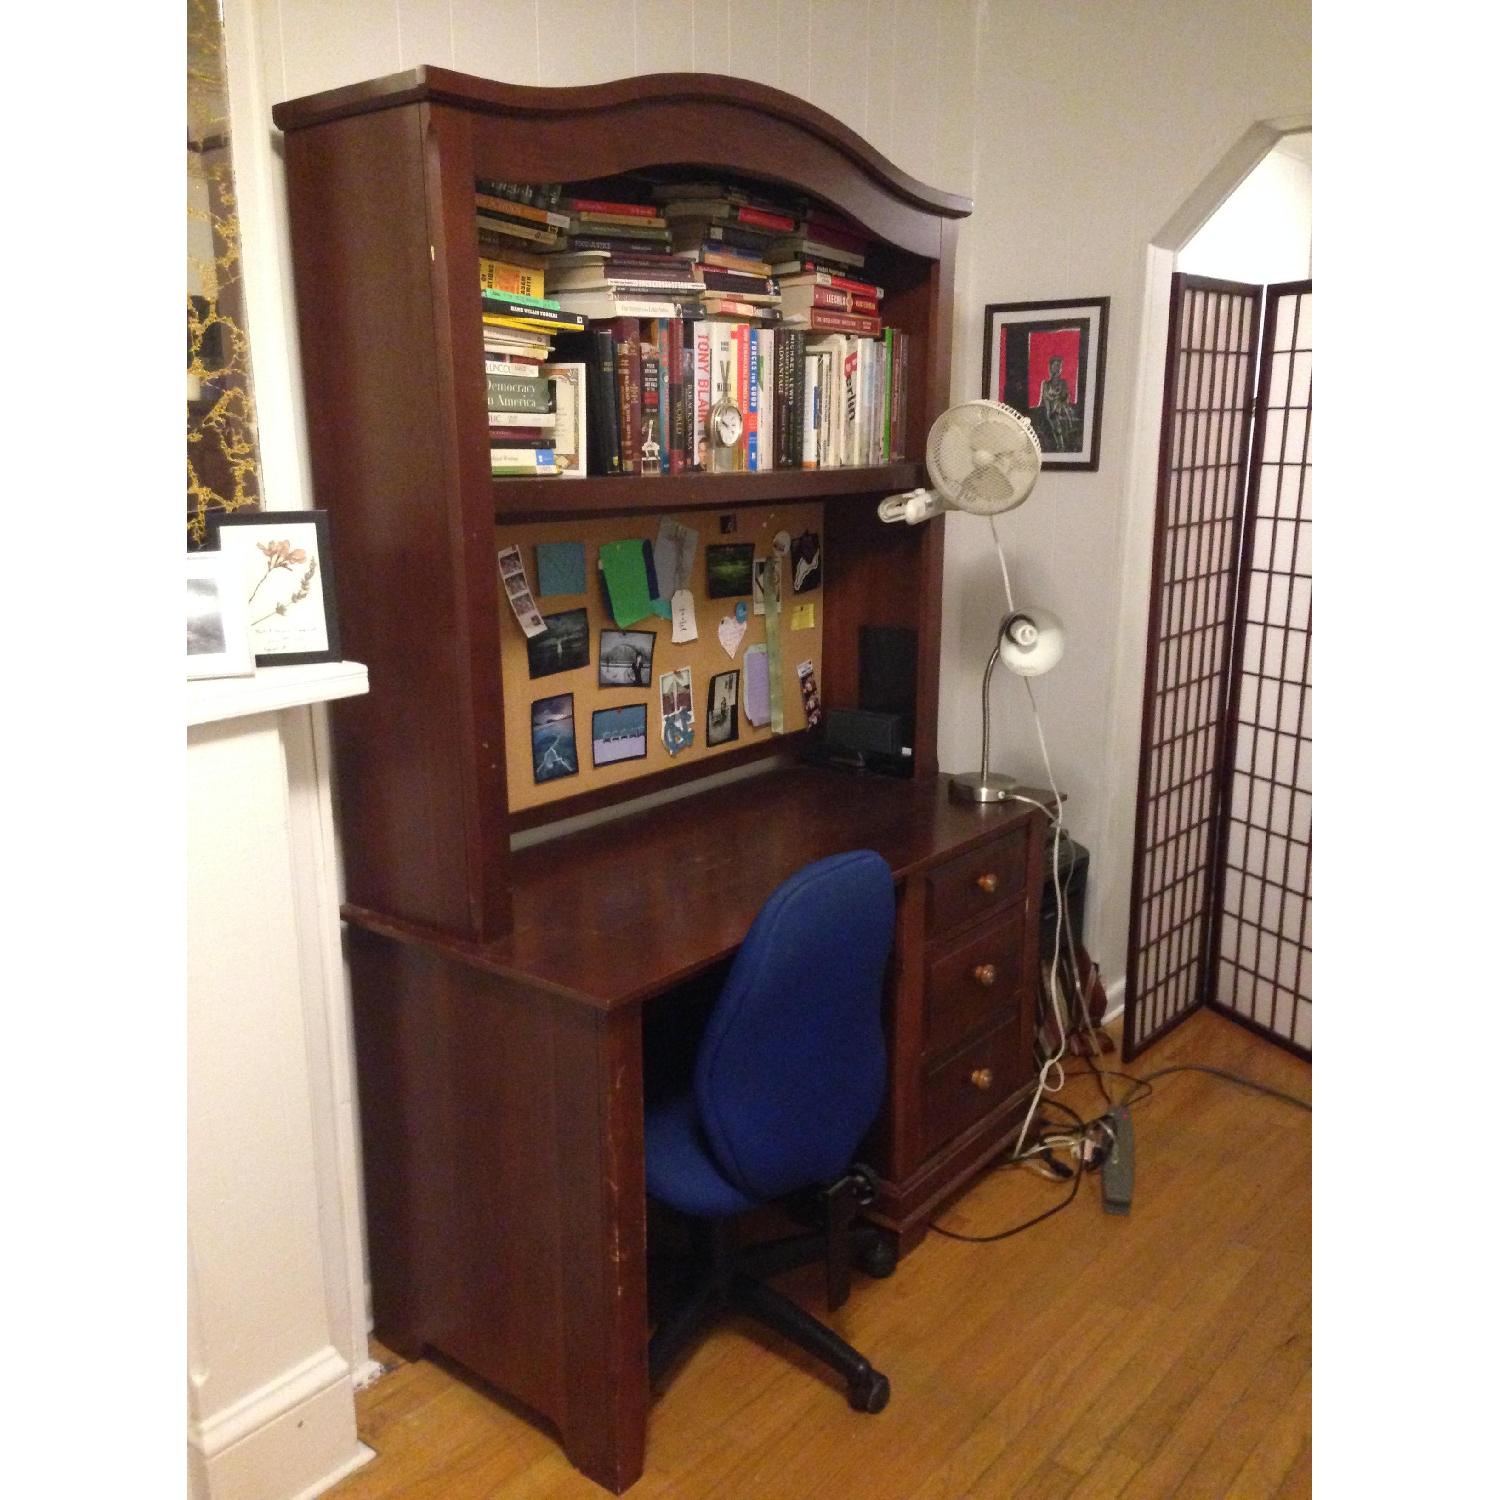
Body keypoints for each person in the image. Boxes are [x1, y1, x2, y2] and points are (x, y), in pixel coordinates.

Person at [1035, 355, 1081, 452]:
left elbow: (1065, 399)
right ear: (1050, 367)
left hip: (1061, 410)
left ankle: (1061, 446)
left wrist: (1058, 404)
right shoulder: (1045, 384)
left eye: (1059, 366)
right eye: (1055, 366)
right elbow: (1043, 400)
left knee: (1057, 417)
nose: (1057, 368)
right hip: (1049, 410)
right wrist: (1046, 410)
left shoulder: (1063, 383)